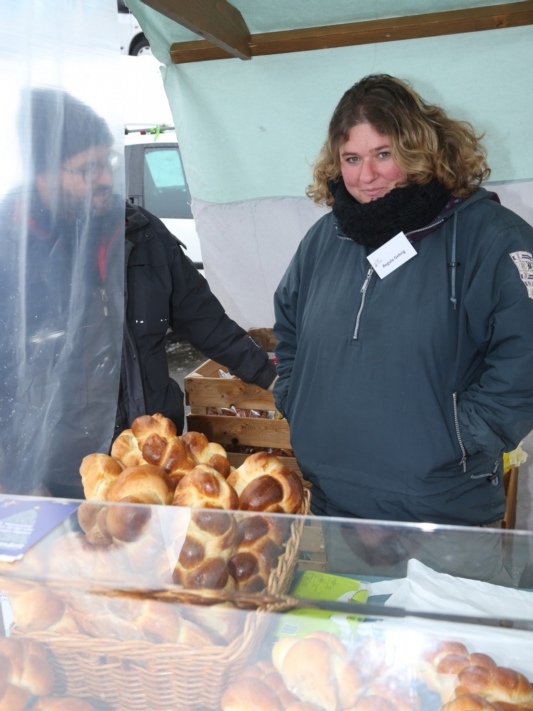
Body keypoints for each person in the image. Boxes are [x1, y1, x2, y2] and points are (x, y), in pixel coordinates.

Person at [273, 74, 533, 536]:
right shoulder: (325, 238)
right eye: (352, 158)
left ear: (419, 150)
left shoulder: (490, 236)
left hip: (443, 509)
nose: (366, 176)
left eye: (383, 154)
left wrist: (463, 438)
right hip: (335, 502)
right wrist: (298, 401)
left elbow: (525, 358)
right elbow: (289, 330)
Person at [0, 88, 276, 499]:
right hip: (63, 473)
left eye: (106, 163)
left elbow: (204, 320)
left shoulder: (141, 232)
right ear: (45, 175)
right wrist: (13, 474)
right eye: (86, 169)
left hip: (152, 456)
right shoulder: (11, 249)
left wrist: (272, 376)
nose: (105, 179)